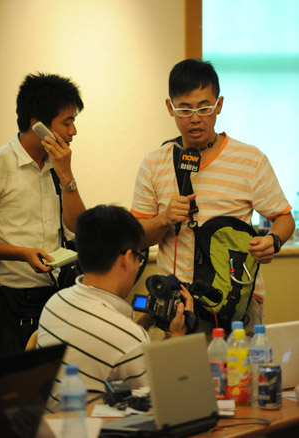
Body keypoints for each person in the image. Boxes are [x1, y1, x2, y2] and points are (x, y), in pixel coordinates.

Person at [131, 58, 295, 337]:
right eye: (185, 108)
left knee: (239, 379)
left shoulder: (250, 159)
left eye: (204, 108)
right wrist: (164, 219)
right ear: (170, 108)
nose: (195, 118)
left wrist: (273, 241)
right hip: (180, 307)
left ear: (219, 105)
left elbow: (283, 218)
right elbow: (137, 238)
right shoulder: (153, 163)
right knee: (182, 380)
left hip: (237, 302)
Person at [37, 204, 194, 412]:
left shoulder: (56, 302)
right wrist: (177, 337)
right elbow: (164, 403)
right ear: (128, 258)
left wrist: (144, 322)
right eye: (139, 257)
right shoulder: (128, 339)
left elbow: (108, 342)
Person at [0, 73, 85, 353]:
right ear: (38, 126)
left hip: (55, 295)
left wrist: (66, 176)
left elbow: (78, 229)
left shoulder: (58, 165)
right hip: (9, 300)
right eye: (67, 122)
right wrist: (23, 253)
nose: (73, 131)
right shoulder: (2, 165)